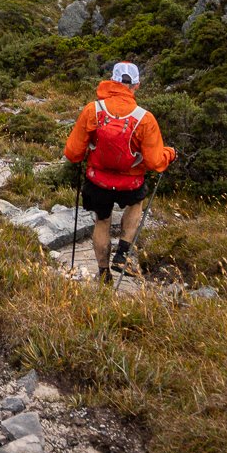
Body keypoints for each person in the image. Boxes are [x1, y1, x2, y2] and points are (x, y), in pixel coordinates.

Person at [64, 60, 176, 286]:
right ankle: (122, 253)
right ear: (136, 85)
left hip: (98, 182)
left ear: (112, 81)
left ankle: (103, 273)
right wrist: (170, 154)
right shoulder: (145, 118)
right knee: (135, 205)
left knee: (102, 221)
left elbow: (73, 153)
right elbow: (155, 162)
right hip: (131, 183)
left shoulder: (92, 110)